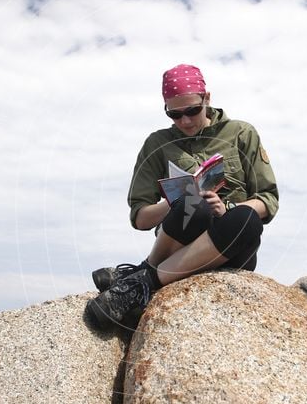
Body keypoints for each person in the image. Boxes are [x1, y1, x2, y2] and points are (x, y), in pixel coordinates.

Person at [86, 64, 279, 328]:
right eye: (175, 114)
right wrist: (174, 203)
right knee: (194, 205)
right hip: (178, 240)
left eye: (192, 110)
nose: (185, 121)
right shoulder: (156, 143)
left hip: (230, 244)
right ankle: (146, 277)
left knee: (247, 219)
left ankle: (140, 280)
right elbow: (140, 217)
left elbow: (267, 199)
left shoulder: (242, 133)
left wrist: (228, 208)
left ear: (207, 99)